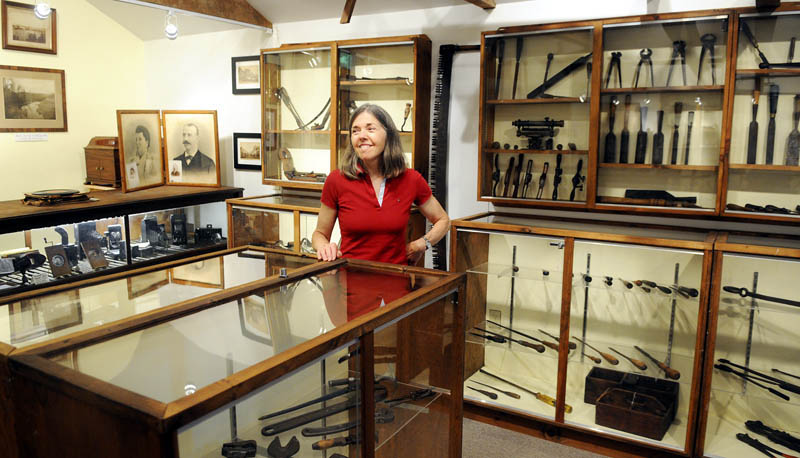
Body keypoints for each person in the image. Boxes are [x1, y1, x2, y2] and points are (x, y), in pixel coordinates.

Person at [312, 103, 449, 266]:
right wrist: (324, 247)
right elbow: (319, 234)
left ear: (388, 135)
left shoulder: (411, 179)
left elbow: (443, 221)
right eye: (355, 130)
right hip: (350, 281)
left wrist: (420, 245)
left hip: (396, 282)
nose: (361, 135)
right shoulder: (336, 180)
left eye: (370, 129)